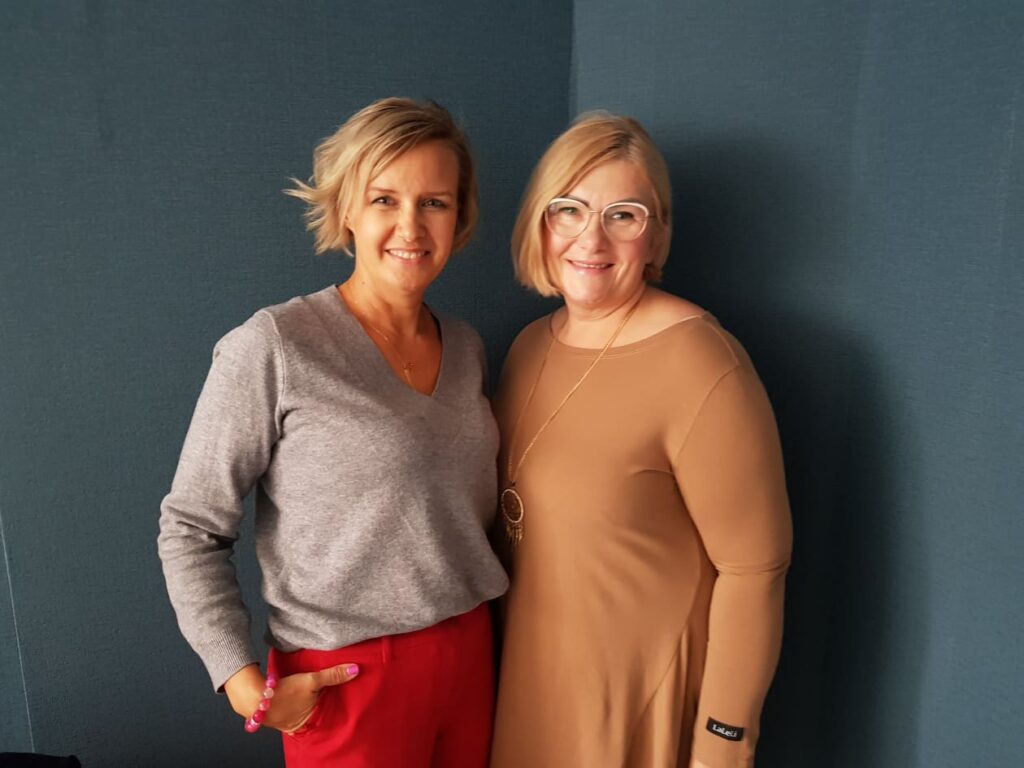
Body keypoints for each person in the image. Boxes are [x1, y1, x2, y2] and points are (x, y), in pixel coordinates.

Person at [158, 98, 508, 768]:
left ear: (458, 217)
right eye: (384, 199)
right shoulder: (276, 345)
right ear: (347, 208)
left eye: (434, 202)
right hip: (346, 681)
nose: (411, 226)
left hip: (471, 656)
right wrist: (242, 683)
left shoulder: (467, 347)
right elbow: (191, 526)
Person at [489, 112, 793, 768]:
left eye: (623, 215)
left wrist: (723, 744)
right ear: (540, 223)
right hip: (530, 693)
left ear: (656, 236)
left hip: (637, 710)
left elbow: (755, 569)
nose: (591, 238)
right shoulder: (526, 348)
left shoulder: (700, 361)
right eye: (569, 210)